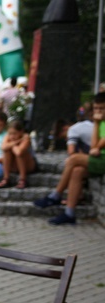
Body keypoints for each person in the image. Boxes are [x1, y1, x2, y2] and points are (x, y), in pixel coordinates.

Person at [34, 92, 105, 225]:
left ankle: (56, 195)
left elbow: (95, 146)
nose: (98, 112)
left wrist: (97, 147)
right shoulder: (99, 123)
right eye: (96, 108)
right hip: (100, 158)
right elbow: (94, 145)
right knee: (77, 171)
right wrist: (96, 123)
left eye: (102, 109)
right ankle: (69, 213)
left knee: (73, 159)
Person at [0, 120, 36, 189]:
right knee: (6, 151)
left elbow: (18, 152)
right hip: (14, 166)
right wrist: (17, 141)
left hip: (28, 165)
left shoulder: (26, 137)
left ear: (21, 132)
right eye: (10, 134)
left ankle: (23, 179)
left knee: (20, 154)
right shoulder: (8, 136)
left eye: (14, 133)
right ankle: (6, 178)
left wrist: (11, 144)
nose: (12, 136)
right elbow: (3, 147)